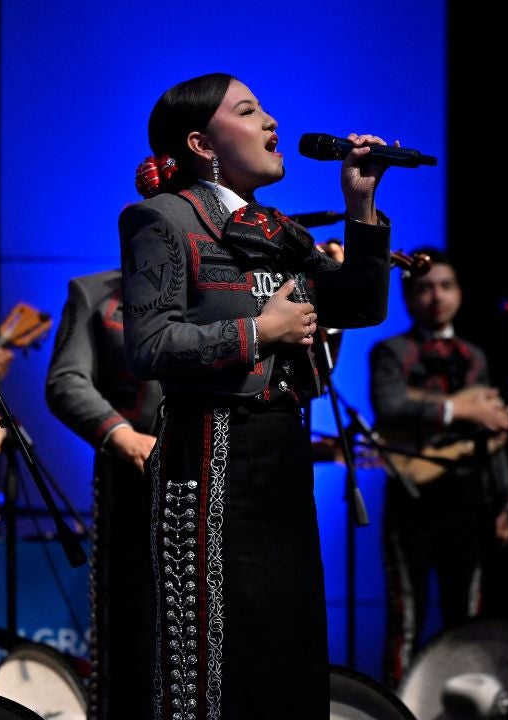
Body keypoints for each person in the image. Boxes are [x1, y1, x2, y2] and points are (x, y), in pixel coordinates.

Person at [120, 72, 393, 720]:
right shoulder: (162, 218)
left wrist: (359, 205)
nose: (272, 122)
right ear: (202, 142)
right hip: (209, 455)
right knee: (215, 653)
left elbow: (360, 304)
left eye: (266, 109)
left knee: (287, 644)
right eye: (249, 111)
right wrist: (259, 331)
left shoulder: (279, 230)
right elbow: (149, 346)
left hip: (280, 457)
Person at [368, 247, 508, 687]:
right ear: (409, 298)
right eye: (425, 288)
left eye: (446, 286)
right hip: (411, 502)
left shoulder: (475, 356)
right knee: (405, 619)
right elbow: (389, 406)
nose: (436, 296)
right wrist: (459, 410)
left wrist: (503, 501)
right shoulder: (390, 352)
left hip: (467, 501)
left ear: (460, 293)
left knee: (465, 619)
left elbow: (491, 436)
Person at [44, 269, 164, 720]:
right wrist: (120, 434)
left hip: (219, 474)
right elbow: (66, 380)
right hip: (133, 478)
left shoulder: (230, 282)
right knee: (132, 629)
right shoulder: (94, 293)